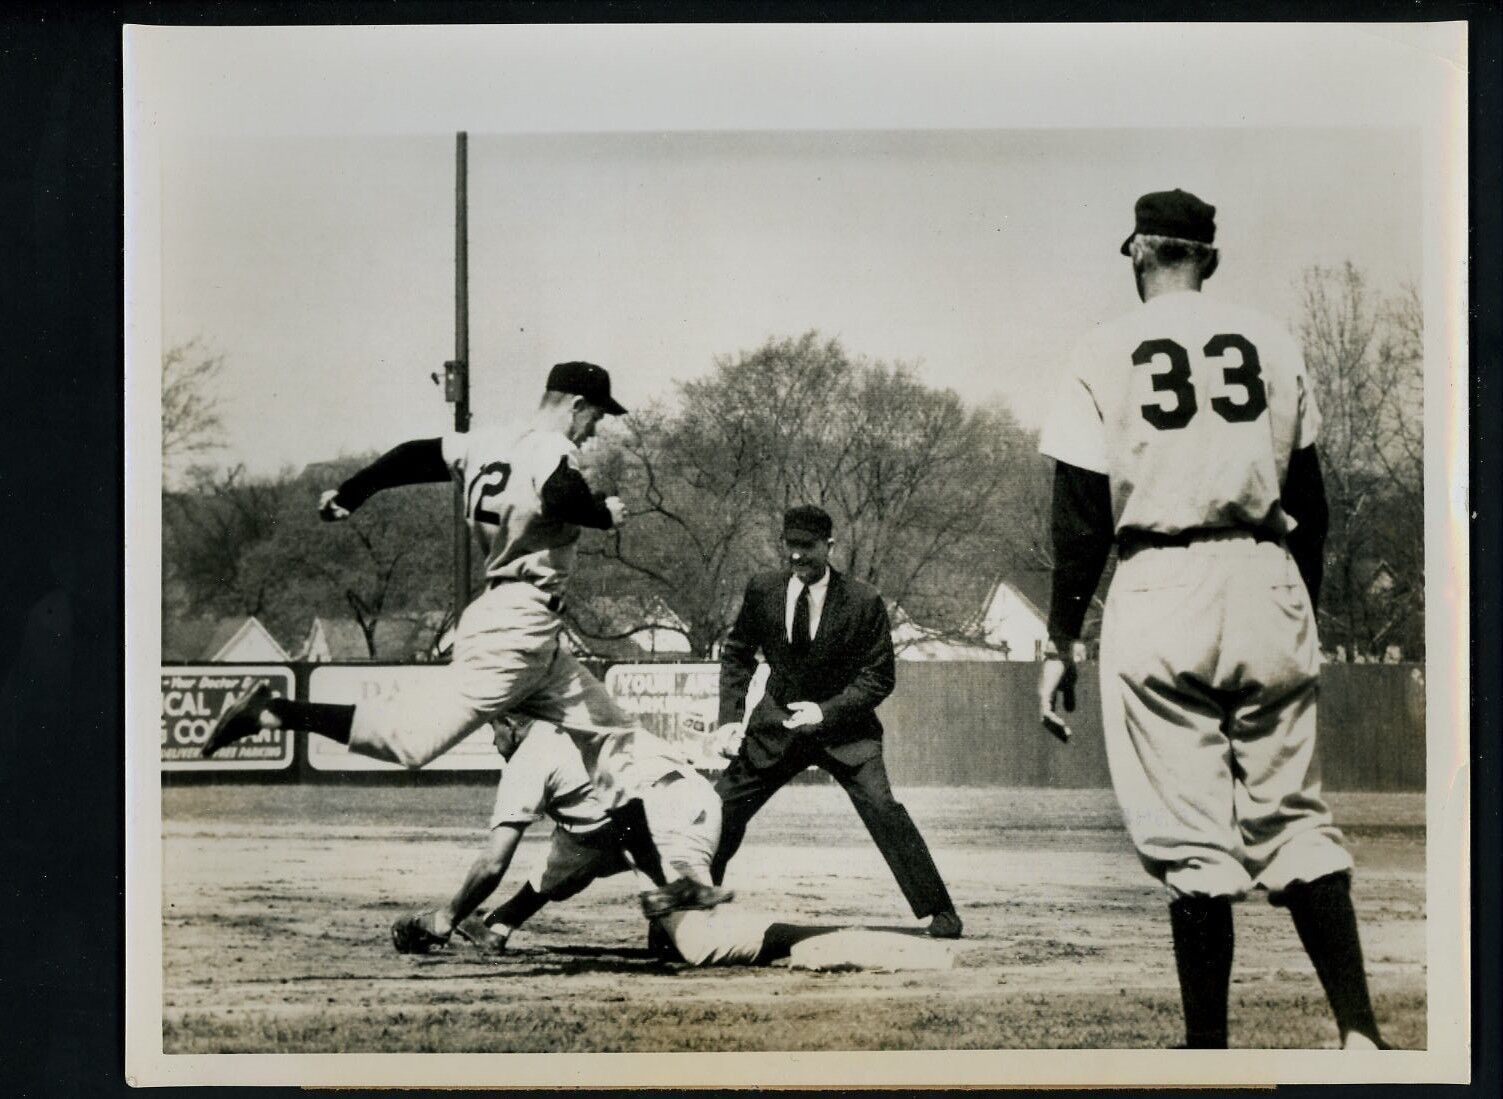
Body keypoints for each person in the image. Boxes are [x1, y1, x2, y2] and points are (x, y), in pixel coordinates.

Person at [1036, 189, 1386, 1049]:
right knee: (1295, 820)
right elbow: (1312, 502)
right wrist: (1295, 603)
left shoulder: (1099, 349)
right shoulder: (1271, 337)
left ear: (1136, 255)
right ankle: (1358, 1030)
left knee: (1193, 843)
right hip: (1265, 573)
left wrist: (1061, 639)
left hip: (1158, 581)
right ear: (1212, 259)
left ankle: (1207, 1056)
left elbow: (1079, 519)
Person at [202, 361, 730, 917]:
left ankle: (675, 882)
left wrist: (355, 491)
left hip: (529, 633)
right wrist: (604, 513)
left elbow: (413, 453)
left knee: (616, 741)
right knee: (409, 743)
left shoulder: (487, 441)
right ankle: (273, 712)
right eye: (594, 417)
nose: (593, 430)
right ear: (575, 405)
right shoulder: (553, 447)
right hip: (517, 630)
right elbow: (560, 494)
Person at [394, 718, 955, 973]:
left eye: (494, 729)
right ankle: (504, 925)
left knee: (703, 947)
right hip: (677, 804)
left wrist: (446, 915)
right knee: (578, 848)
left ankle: (822, 937)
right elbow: (565, 863)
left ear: (512, 722)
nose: (493, 741)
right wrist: (495, 924)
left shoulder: (528, 753)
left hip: (665, 815)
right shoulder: (580, 721)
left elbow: (494, 861)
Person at [710, 505, 962, 939]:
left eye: (806, 548)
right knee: (719, 811)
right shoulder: (763, 590)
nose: (796, 557)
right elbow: (737, 655)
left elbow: (879, 677)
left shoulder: (863, 601)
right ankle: (690, 911)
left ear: (829, 547)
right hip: (777, 727)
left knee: (884, 809)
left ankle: (940, 911)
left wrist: (827, 711)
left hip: (845, 732)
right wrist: (730, 720)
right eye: (790, 547)